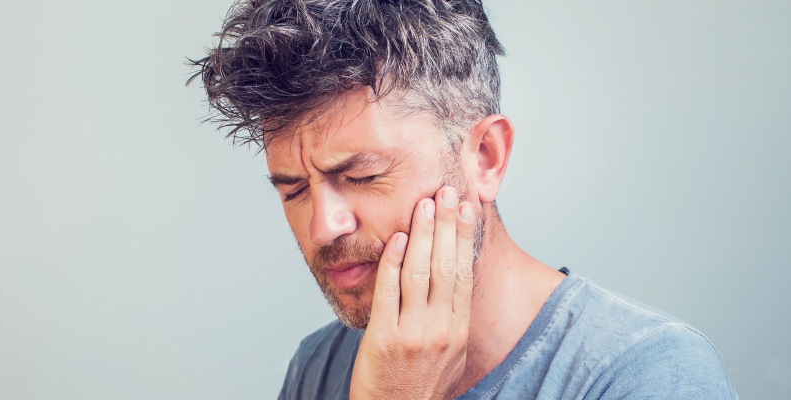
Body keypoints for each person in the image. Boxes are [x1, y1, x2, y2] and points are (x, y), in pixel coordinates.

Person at [189, 0, 738, 398]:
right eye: (294, 190)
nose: (322, 227)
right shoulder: (318, 365)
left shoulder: (646, 374)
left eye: (360, 176)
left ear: (486, 158)